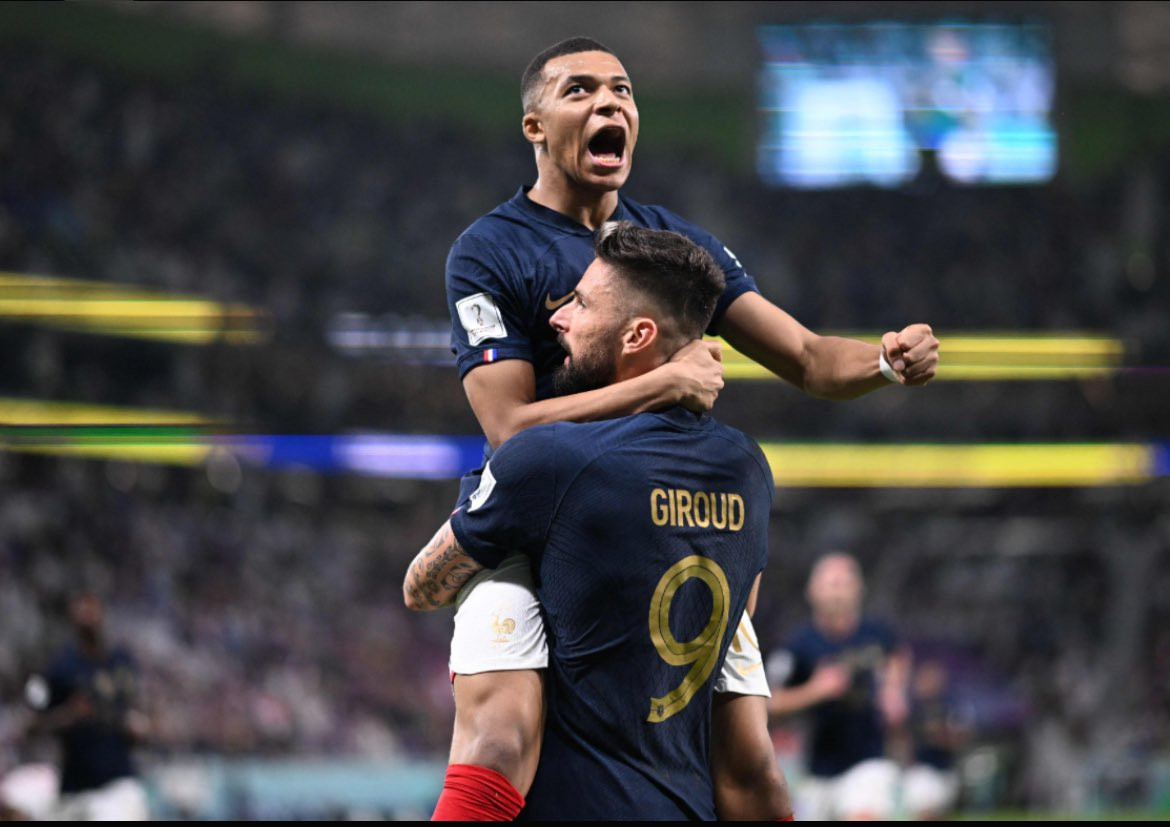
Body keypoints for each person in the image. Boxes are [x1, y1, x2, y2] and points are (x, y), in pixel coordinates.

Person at [436, 35, 939, 819]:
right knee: (500, 738)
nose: (609, 102)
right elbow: (510, 427)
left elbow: (809, 357)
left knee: (755, 769)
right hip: (539, 523)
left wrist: (883, 359)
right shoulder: (489, 251)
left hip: (669, 524)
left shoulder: (673, 250)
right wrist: (664, 381)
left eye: (622, 89)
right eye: (579, 90)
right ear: (534, 126)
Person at [406, 221, 790, 819]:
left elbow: (421, 587)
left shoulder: (551, 462)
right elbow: (742, 615)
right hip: (687, 806)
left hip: (574, 805)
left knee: (494, 734)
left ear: (638, 335)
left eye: (581, 304)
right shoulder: (749, 468)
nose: (557, 319)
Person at [766, 552, 912, 820]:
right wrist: (815, 690)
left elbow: (897, 655)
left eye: (844, 583)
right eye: (831, 584)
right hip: (815, 769)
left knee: (862, 813)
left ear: (859, 589)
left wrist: (893, 689)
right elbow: (768, 703)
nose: (838, 593)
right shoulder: (797, 645)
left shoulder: (877, 633)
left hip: (869, 760)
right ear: (812, 591)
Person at [22, 590, 151, 821]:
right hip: (76, 786)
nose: (89, 619)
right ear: (72, 620)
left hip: (117, 782)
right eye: (83, 613)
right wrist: (68, 715)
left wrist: (139, 727)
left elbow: (137, 711)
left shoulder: (122, 661)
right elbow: (30, 725)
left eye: (92, 611)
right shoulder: (59, 669)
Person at [900, 657, 971, 820]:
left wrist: (939, 735)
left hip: (945, 769)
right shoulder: (913, 709)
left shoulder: (949, 706)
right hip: (922, 770)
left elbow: (959, 736)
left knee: (941, 812)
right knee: (924, 809)